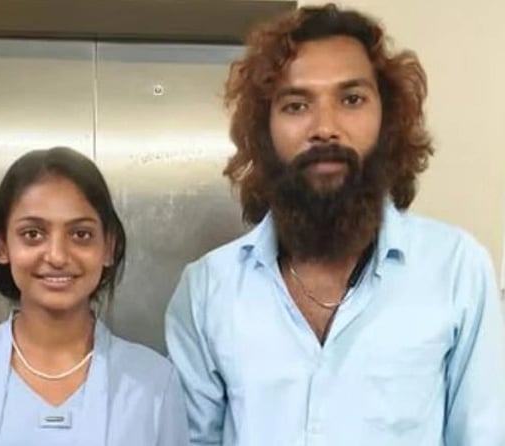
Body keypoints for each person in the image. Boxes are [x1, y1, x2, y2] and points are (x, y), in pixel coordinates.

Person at [165, 4, 505, 445]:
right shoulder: (208, 289)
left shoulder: (456, 269)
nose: (325, 127)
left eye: (351, 100)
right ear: (264, 132)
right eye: (296, 105)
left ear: (387, 120)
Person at [0, 147, 189, 446]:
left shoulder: (154, 383)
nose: (57, 256)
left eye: (80, 234)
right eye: (33, 234)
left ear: (108, 247)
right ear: (2, 246)